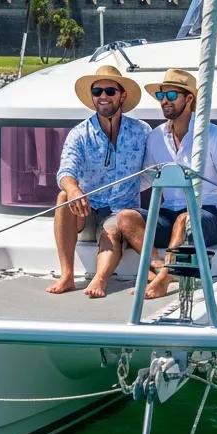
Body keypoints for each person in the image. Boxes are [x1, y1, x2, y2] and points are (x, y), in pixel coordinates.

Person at [121, 68, 217, 299]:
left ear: (189, 99)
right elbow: (149, 178)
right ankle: (159, 268)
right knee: (126, 218)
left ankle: (164, 279)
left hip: (208, 214)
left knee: (184, 219)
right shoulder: (155, 137)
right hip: (168, 213)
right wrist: (114, 195)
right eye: (161, 96)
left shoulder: (213, 135)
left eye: (171, 95)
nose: (164, 101)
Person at [49, 63, 150, 297]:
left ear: (122, 95)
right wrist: (74, 190)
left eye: (110, 91)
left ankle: (100, 280)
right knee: (64, 196)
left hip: (120, 212)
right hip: (85, 212)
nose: (103, 97)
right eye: (97, 92)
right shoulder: (79, 133)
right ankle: (67, 276)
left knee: (113, 227)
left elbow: (152, 171)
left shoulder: (142, 131)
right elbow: (65, 171)